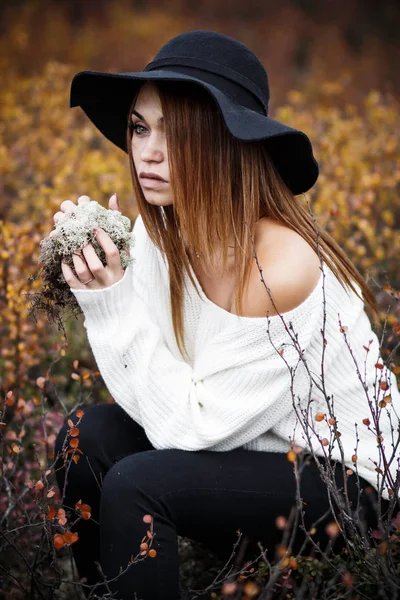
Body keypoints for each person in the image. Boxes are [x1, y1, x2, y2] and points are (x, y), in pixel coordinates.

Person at [52, 30, 399, 600]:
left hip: (349, 487)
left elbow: (189, 427)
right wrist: (101, 271)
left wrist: (110, 303)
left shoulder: (281, 267)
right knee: (83, 436)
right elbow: (160, 392)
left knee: (139, 485)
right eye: (140, 127)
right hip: (242, 450)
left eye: (177, 132)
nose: (149, 152)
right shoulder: (162, 233)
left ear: (231, 141)